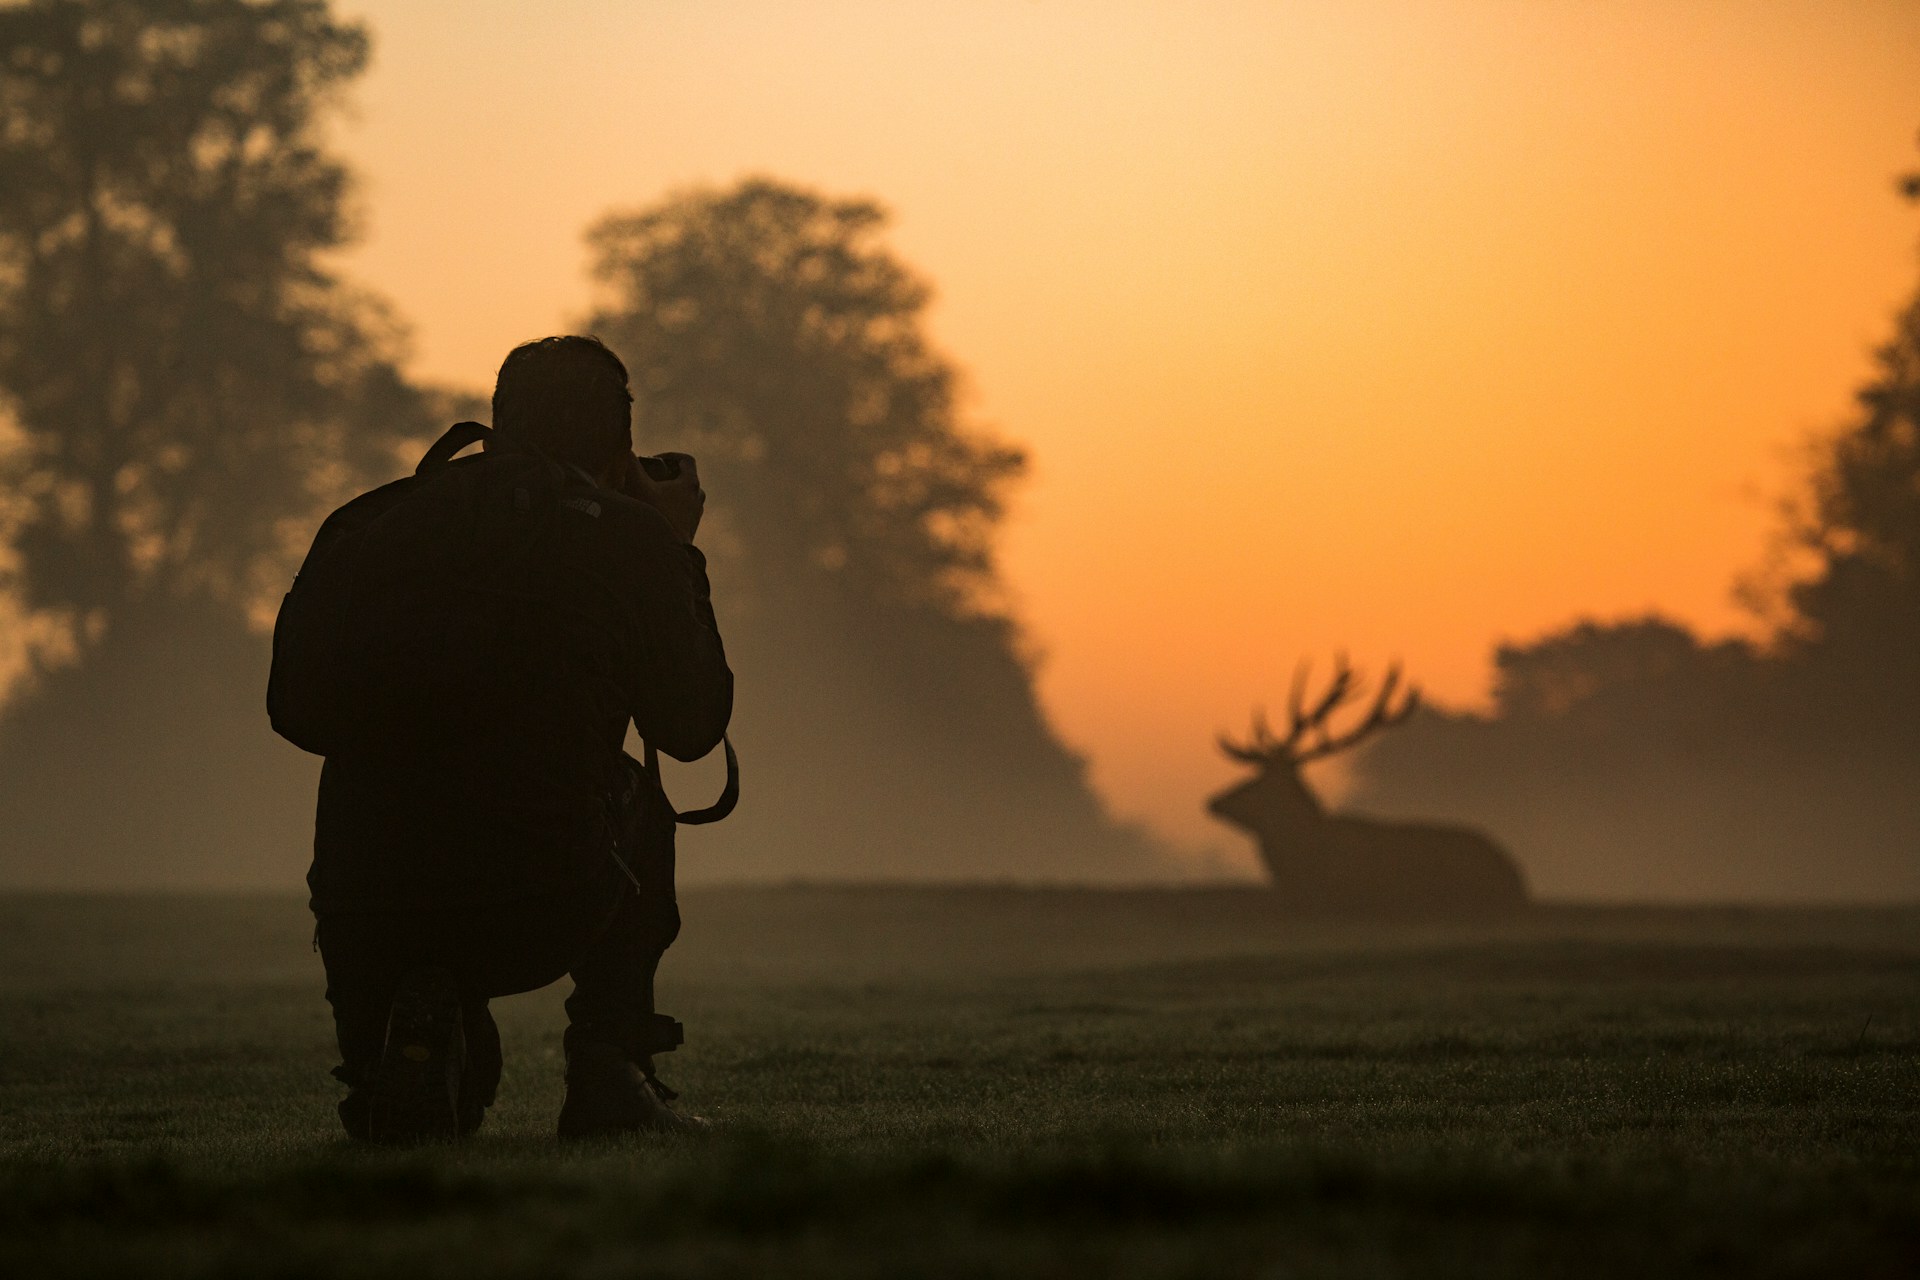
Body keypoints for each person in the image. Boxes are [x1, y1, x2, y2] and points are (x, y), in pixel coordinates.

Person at [302, 335, 732, 1142]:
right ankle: (611, 1066)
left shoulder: (375, 521)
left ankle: (406, 1032)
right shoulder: (627, 540)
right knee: (640, 800)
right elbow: (692, 727)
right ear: (621, 449)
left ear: (500, 423)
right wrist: (675, 548)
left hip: (370, 905)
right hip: (541, 897)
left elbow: (295, 713)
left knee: (432, 1103)